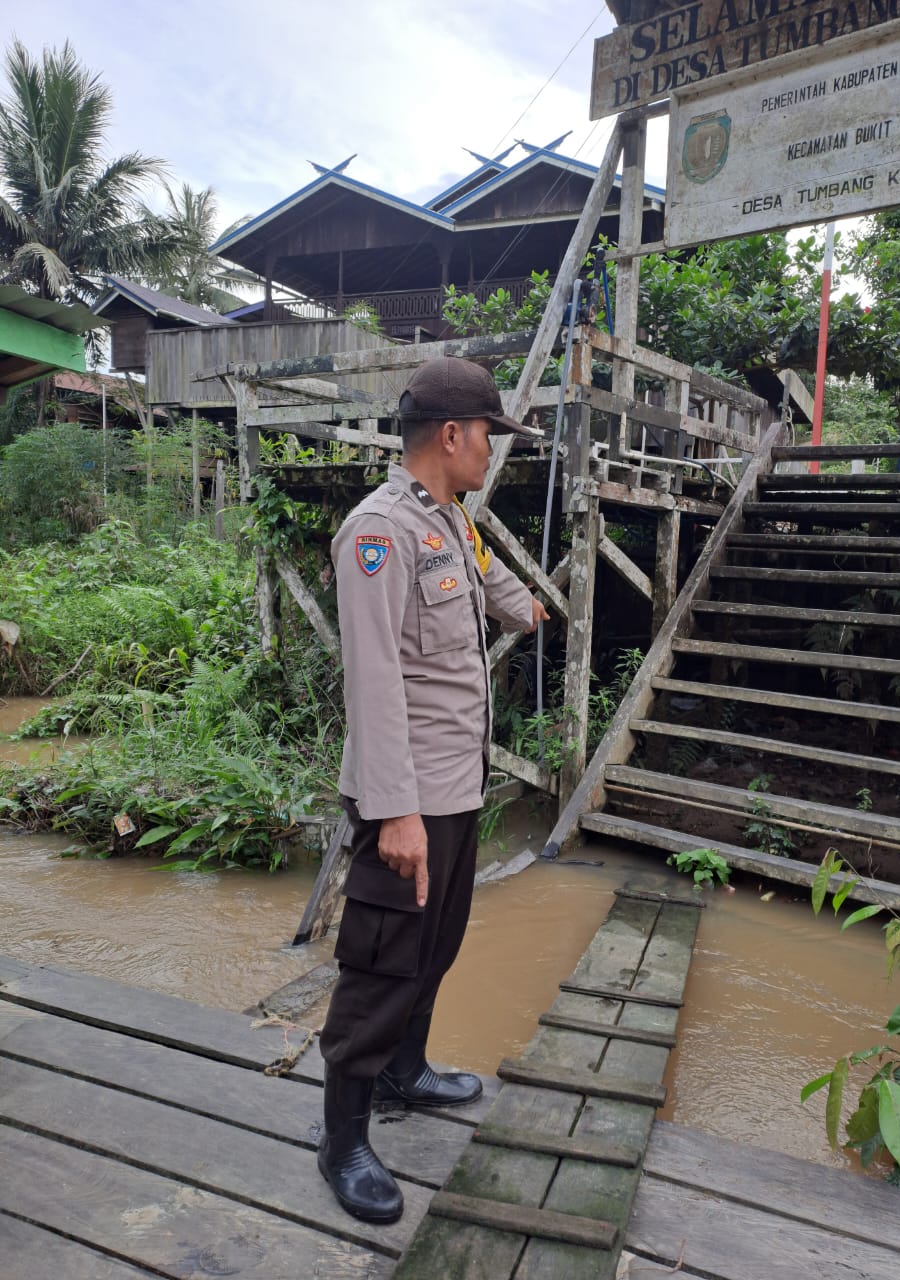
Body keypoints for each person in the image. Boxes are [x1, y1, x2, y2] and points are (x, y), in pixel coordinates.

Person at [317, 356, 549, 1224]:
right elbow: (374, 681)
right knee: (381, 965)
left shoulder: (448, 518)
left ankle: (404, 1071)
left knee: (435, 946)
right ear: (451, 435)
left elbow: (486, 582)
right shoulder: (377, 534)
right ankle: (342, 1139)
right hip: (406, 798)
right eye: (488, 433)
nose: (492, 449)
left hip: (455, 786)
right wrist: (395, 814)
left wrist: (527, 607)